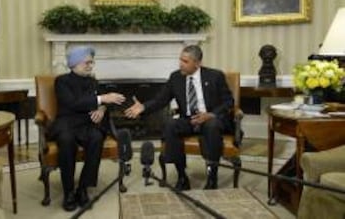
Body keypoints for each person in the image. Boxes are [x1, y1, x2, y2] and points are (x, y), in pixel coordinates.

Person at [125, 45, 234, 190]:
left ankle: (212, 177)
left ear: (197, 63)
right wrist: (143, 107)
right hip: (189, 119)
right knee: (171, 125)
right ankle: (182, 176)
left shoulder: (215, 76)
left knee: (212, 125)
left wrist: (210, 115)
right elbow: (160, 100)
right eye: (180, 60)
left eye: (185, 61)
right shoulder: (175, 77)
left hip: (209, 118)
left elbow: (229, 101)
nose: (180, 64)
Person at [51, 46, 126, 211]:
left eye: (92, 62)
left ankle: (83, 188)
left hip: (86, 124)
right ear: (75, 63)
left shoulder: (93, 81)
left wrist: (102, 108)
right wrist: (101, 99)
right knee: (66, 140)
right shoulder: (61, 81)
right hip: (67, 124)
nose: (91, 66)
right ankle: (68, 192)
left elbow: (102, 103)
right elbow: (73, 103)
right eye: (87, 62)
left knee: (97, 137)